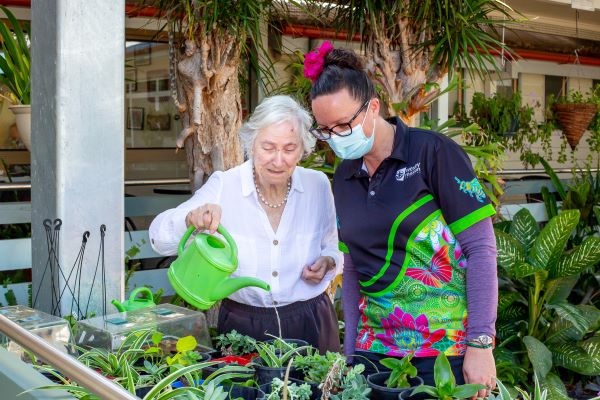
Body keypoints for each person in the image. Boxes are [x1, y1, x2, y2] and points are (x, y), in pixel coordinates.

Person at [306, 41, 498, 398]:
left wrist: (481, 343)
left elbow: (481, 248)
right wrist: (350, 351)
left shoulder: (432, 153)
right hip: (374, 353)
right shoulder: (344, 176)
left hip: (443, 352)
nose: (335, 138)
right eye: (325, 130)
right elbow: (352, 268)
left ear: (372, 107)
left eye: (343, 125)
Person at [149, 95, 341, 354]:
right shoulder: (225, 185)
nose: (278, 159)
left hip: (311, 320)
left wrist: (328, 262)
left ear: (303, 148)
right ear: (251, 143)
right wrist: (189, 219)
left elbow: (332, 246)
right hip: (245, 326)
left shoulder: (318, 184)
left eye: (289, 148)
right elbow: (158, 238)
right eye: (268, 147)